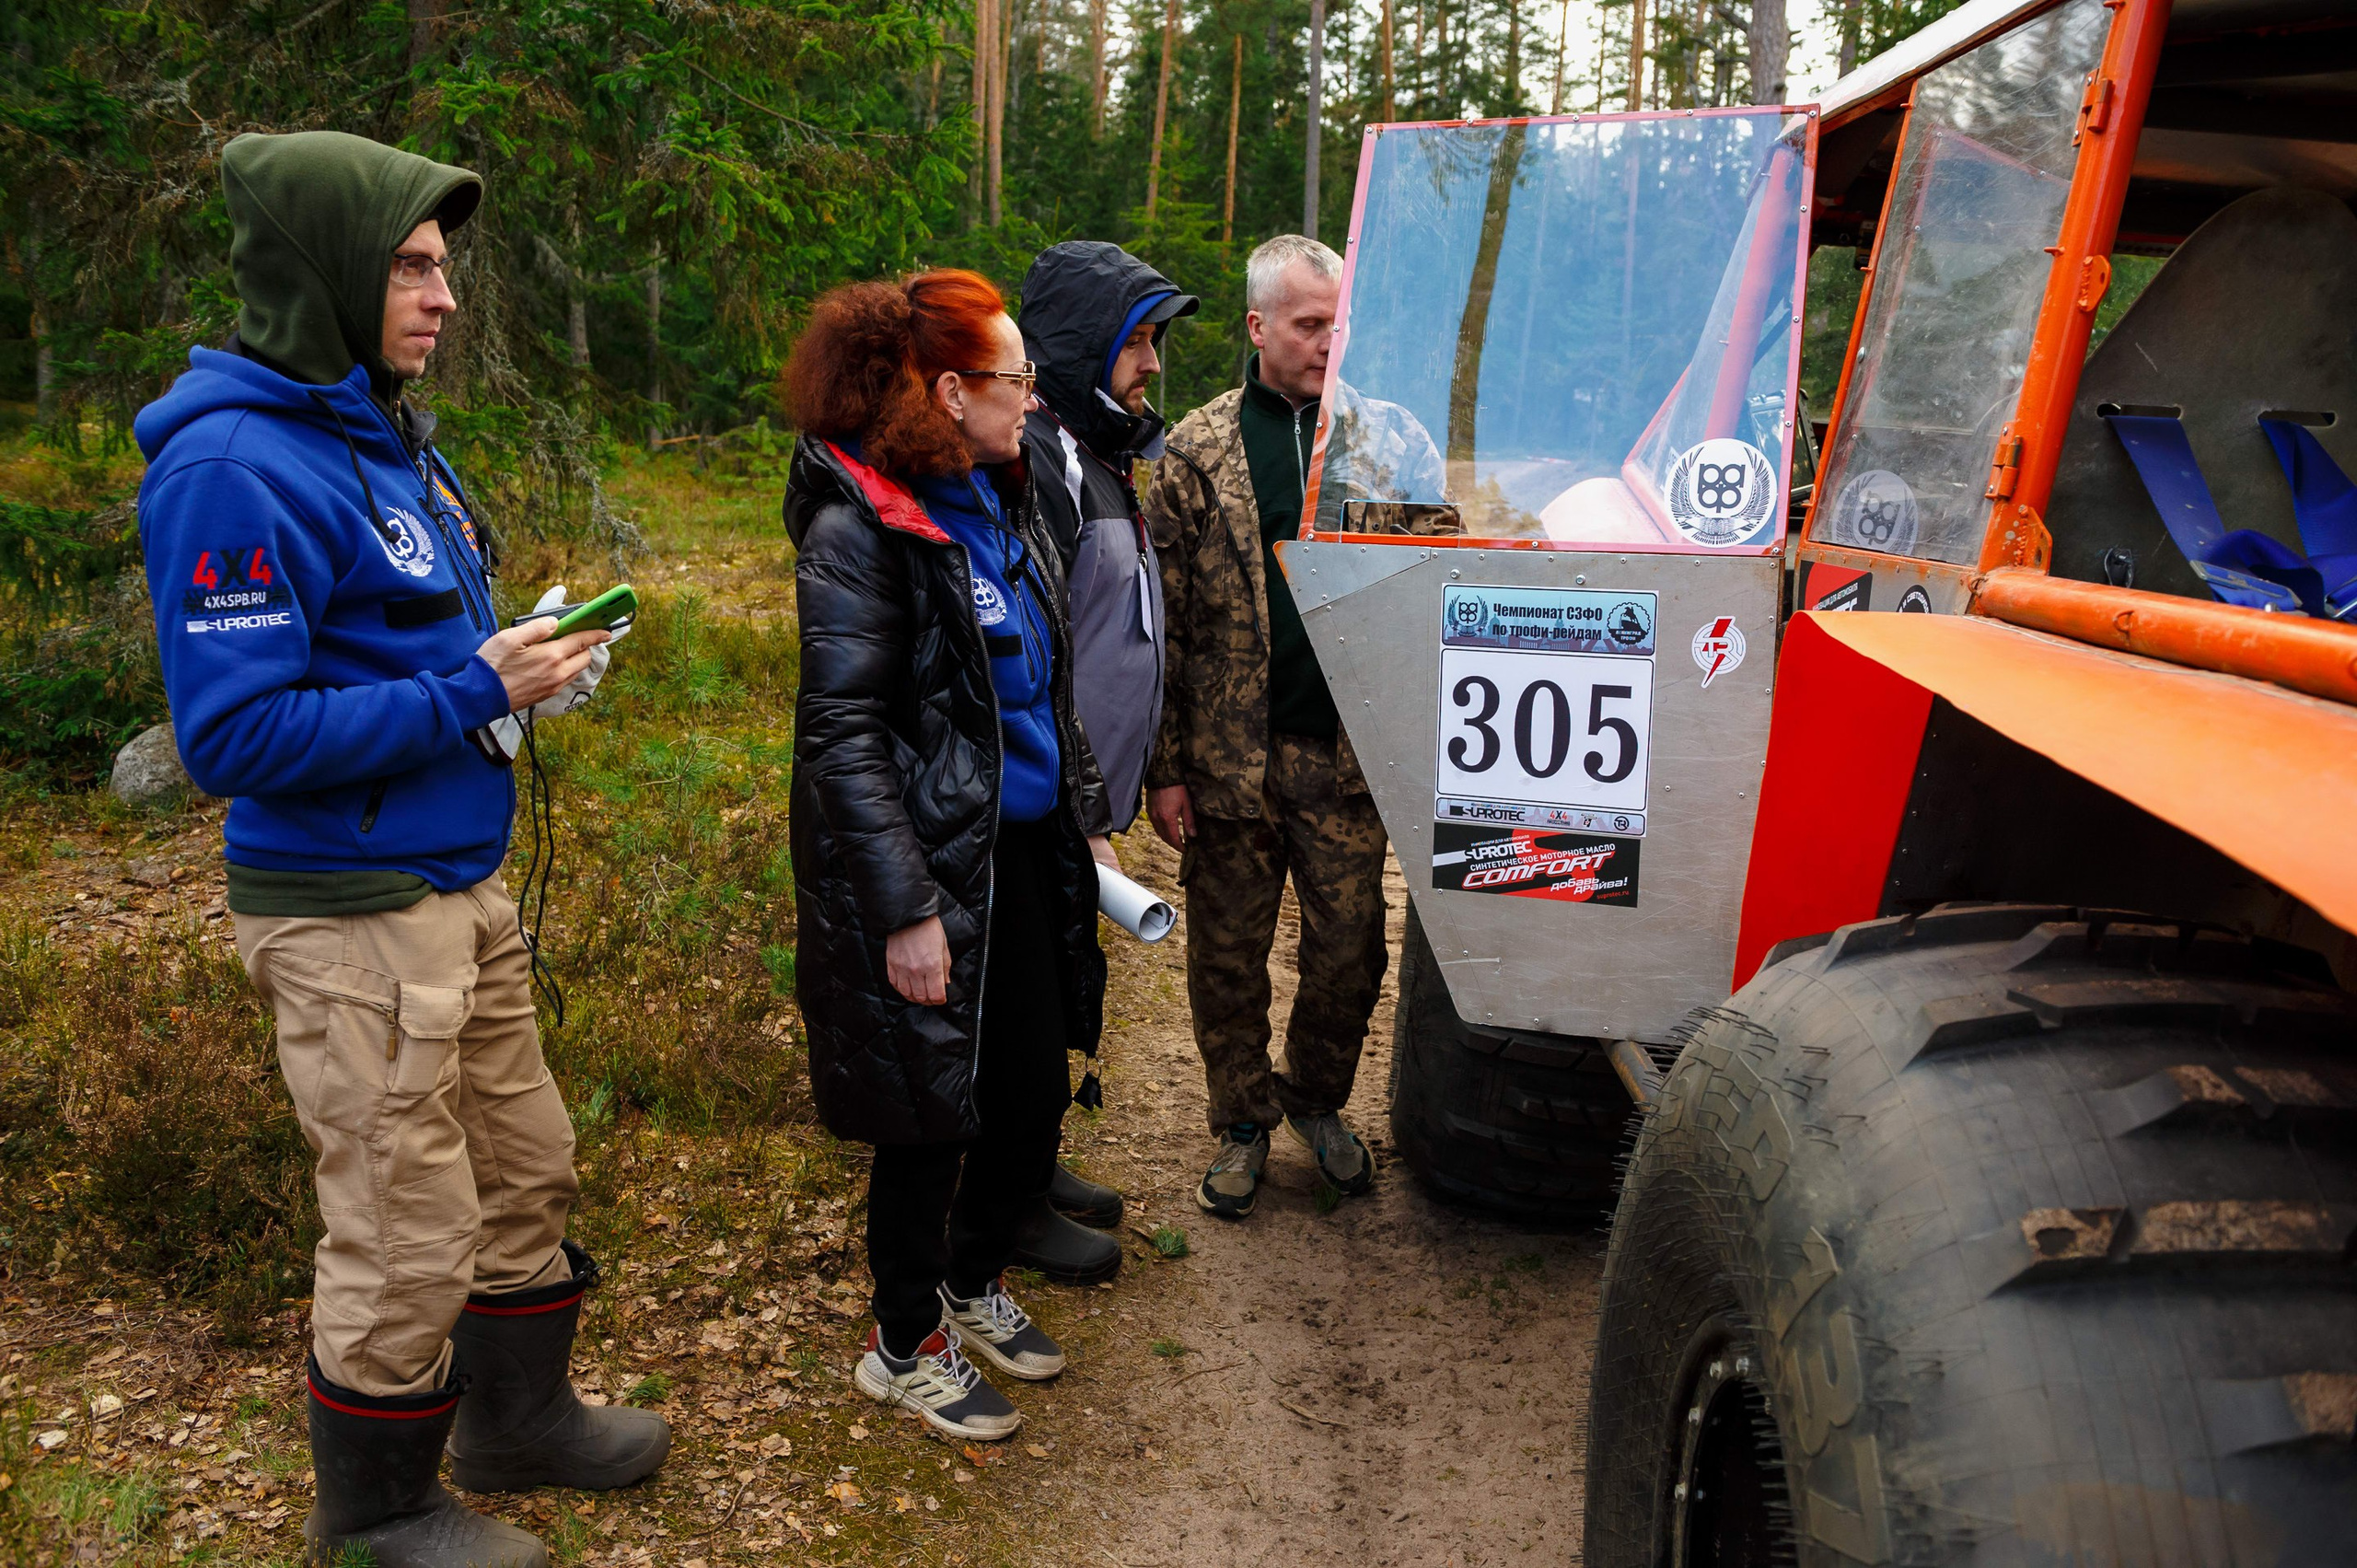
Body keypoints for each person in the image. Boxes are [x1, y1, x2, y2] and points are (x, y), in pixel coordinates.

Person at [134, 131, 667, 1568]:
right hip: (349, 911)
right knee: (401, 1216)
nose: (443, 296)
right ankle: (373, 1512)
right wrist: (475, 690)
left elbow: (412, 643)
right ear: (327, 271)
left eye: (446, 266)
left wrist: (521, 662)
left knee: (523, 1164)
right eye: (414, 267)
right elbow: (234, 739)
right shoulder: (235, 468)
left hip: (454, 882)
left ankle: (520, 1420)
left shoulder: (377, 435)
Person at [784, 269, 1119, 1440]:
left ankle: (970, 1281)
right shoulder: (859, 524)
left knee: (1028, 1086)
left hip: (1016, 848)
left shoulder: (999, 497)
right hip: (925, 868)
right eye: (1014, 378)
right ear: (947, 388)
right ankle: (900, 1338)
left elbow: (1037, 681)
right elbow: (842, 732)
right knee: (929, 1108)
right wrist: (902, 905)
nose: (1031, 397)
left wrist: (1076, 806)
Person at [1142, 234, 1448, 1220]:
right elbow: (1167, 629)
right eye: (1310, 324)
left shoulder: (1389, 440)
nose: (1328, 342)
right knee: (1226, 954)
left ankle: (1315, 1100)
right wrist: (1165, 769)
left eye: (1339, 323)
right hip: (1230, 760)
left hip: (1346, 757)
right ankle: (1240, 1121)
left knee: (1352, 948)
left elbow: (1434, 582)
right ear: (1258, 325)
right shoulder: (1194, 450)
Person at [1007, 240, 1199, 1280]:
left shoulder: (1098, 458)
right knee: (1029, 994)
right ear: (1083, 344)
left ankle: (1034, 1160)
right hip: (1043, 790)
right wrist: (1078, 799)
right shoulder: (1043, 464)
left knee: (1060, 978)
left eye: (1158, 340)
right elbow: (1038, 647)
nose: (1154, 364)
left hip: (1081, 793)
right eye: (1138, 340)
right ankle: (1010, 1193)